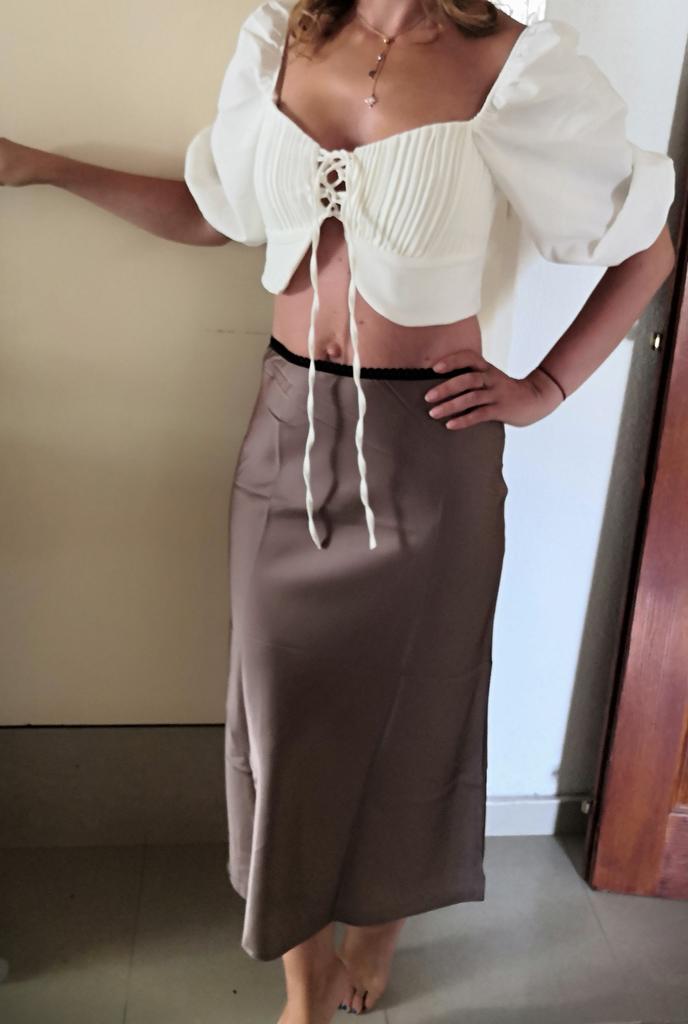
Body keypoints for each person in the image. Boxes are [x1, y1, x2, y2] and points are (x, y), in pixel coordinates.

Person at [1, 0, 676, 1021]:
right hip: (287, 431)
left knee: (415, 713)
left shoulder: (511, 62)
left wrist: (544, 388)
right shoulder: (284, 34)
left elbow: (647, 247)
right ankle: (303, 982)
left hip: (431, 449)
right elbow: (213, 211)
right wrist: (41, 166)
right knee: (284, 720)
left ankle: (375, 936)